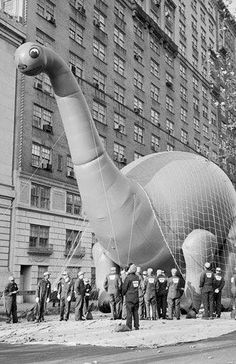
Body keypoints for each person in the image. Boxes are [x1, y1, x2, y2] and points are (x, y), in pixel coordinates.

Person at [122, 263, 140, 330]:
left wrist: (123, 293)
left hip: (129, 297)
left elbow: (124, 288)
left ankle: (129, 326)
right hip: (136, 296)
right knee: (135, 312)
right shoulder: (137, 277)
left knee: (129, 312)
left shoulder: (128, 278)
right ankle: (137, 326)